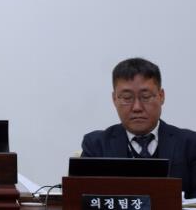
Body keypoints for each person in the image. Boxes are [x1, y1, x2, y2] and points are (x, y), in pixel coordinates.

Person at [81, 57, 196, 198]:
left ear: (161, 96)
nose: (137, 107)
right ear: (114, 99)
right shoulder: (96, 145)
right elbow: (83, 199)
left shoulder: (190, 144)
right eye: (127, 98)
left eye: (146, 97)